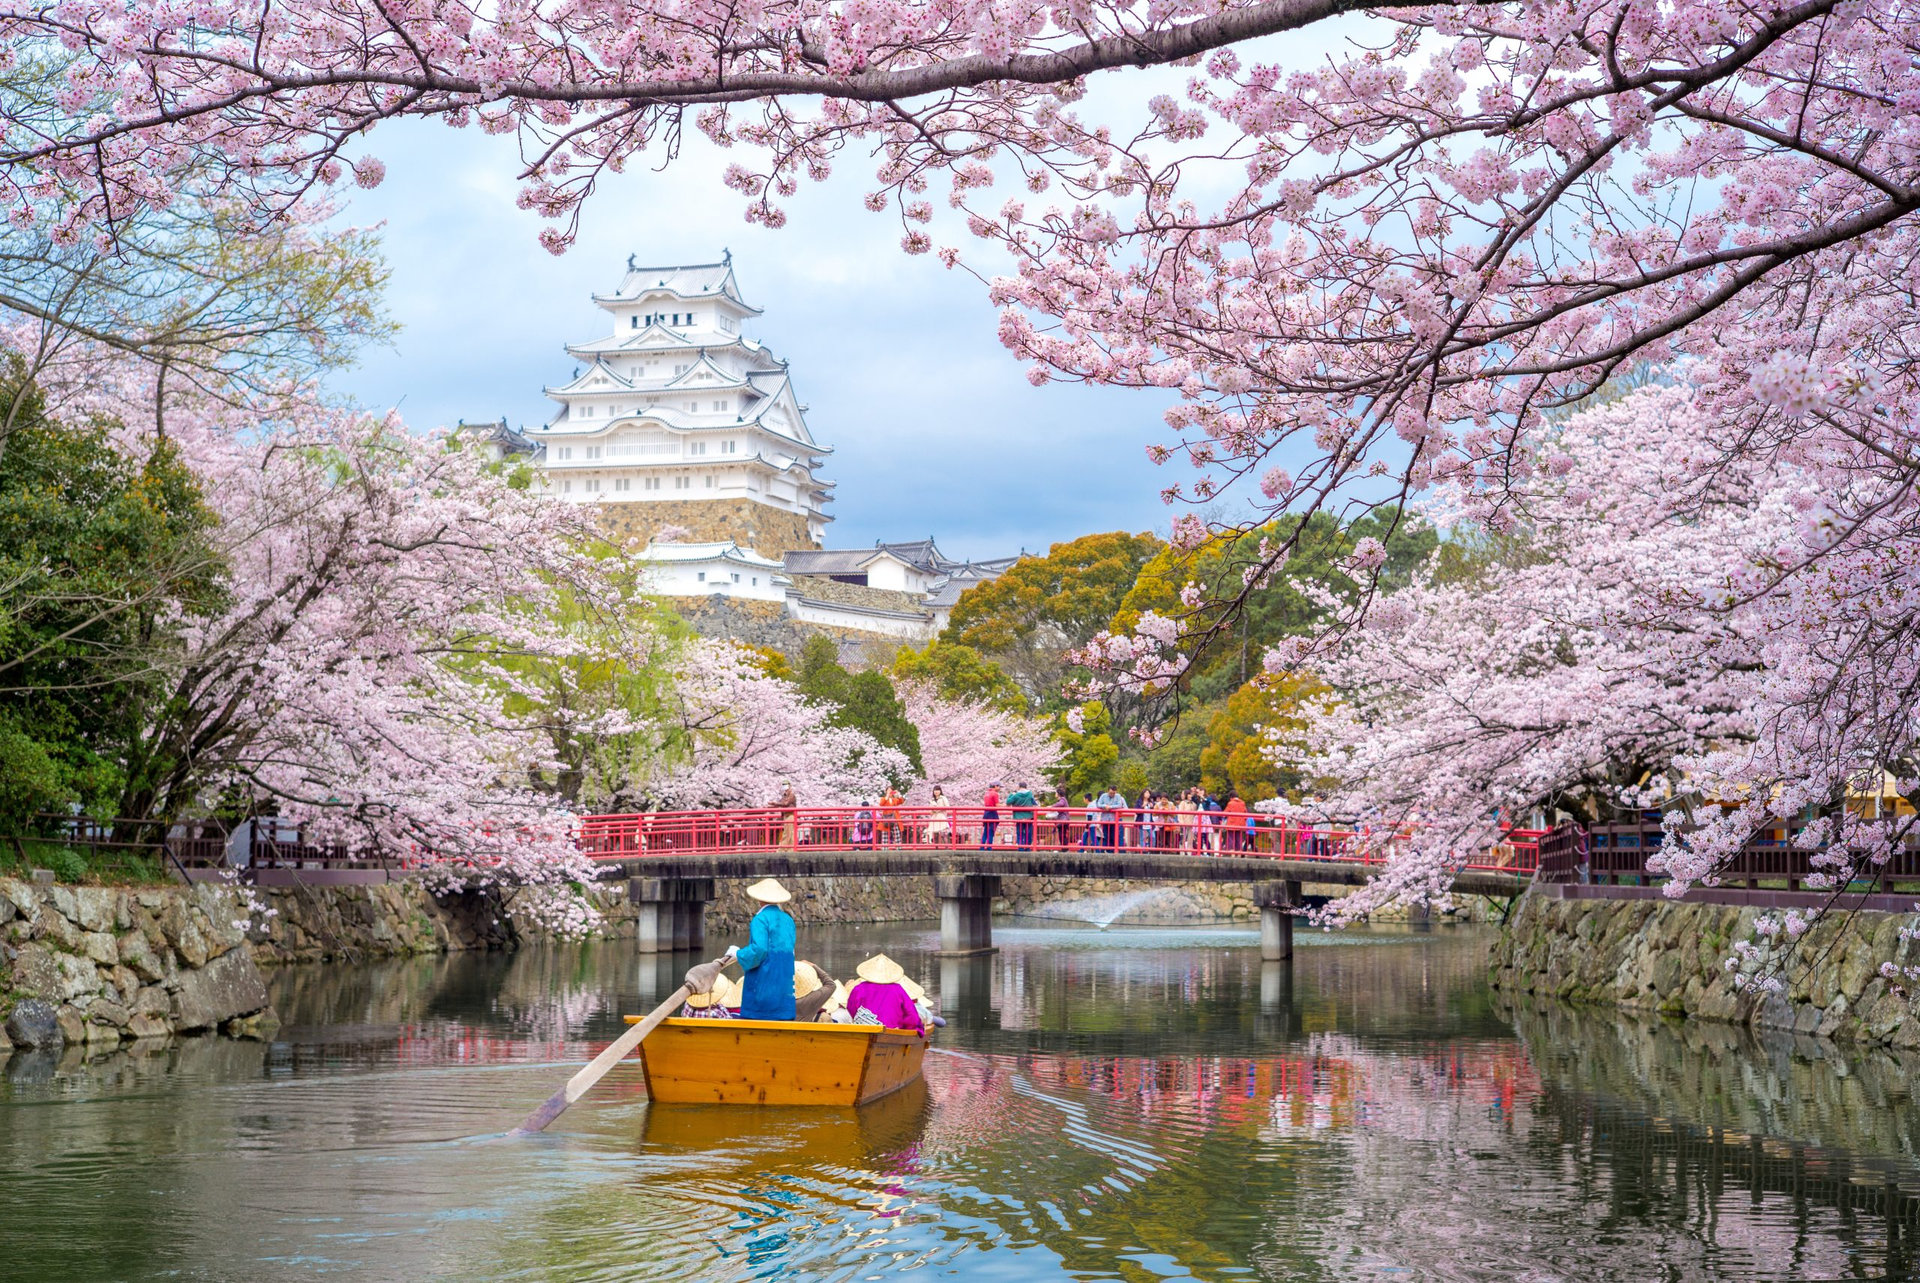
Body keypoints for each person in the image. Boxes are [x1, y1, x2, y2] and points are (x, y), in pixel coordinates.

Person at [725, 878, 797, 1020]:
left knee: (757, 1015)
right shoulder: (788, 920)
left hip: (764, 982)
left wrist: (738, 954)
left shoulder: (760, 919)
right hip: (784, 981)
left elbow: (759, 950)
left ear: (759, 899)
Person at [845, 954, 926, 1035]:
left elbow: (851, 1008)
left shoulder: (859, 988)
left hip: (865, 1029)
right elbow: (911, 1014)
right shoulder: (897, 989)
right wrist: (909, 1028)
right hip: (892, 1031)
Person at [1008, 781, 1038, 851]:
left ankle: (1021, 848)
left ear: (1019, 787)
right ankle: (1027, 847)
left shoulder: (1016, 795)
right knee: (1029, 833)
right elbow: (1034, 803)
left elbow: (1008, 802)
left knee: (1020, 833)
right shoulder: (1030, 794)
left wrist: (1011, 794)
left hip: (1019, 817)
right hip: (1029, 817)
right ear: (1026, 787)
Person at [1096, 785, 1126, 850]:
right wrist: (1104, 806)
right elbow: (1098, 804)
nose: (1112, 794)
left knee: (1113, 836)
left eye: (1113, 793)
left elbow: (1119, 805)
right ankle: (1106, 850)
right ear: (1108, 791)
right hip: (1105, 819)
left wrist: (1110, 807)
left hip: (1114, 820)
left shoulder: (1118, 796)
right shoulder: (1103, 796)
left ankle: (1112, 851)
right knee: (1105, 836)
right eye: (1110, 793)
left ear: (1116, 792)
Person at [773, 780, 798, 849]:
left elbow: (785, 803)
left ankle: (782, 848)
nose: (785, 787)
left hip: (790, 815)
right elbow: (780, 803)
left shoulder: (792, 795)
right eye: (783, 785)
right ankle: (791, 849)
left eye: (786, 785)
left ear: (790, 786)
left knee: (787, 833)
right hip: (785, 815)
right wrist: (772, 805)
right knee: (790, 833)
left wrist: (775, 804)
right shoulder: (784, 796)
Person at [980, 781, 1001, 850]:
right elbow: (997, 805)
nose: (1000, 788)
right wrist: (1006, 805)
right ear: (995, 786)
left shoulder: (987, 793)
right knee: (991, 831)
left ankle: (982, 846)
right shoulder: (995, 794)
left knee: (986, 831)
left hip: (986, 813)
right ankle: (989, 847)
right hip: (992, 813)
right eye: (999, 786)